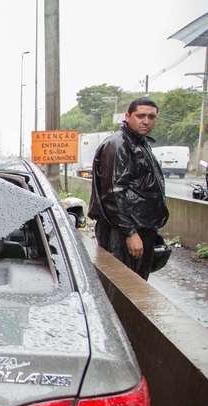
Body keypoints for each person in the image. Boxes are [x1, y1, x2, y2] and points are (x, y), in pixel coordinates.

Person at [88, 97, 169, 280]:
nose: (146, 121)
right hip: (123, 231)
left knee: (137, 282)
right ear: (128, 116)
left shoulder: (140, 143)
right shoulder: (119, 144)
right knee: (123, 285)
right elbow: (113, 194)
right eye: (140, 116)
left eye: (151, 117)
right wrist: (130, 233)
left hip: (141, 226)